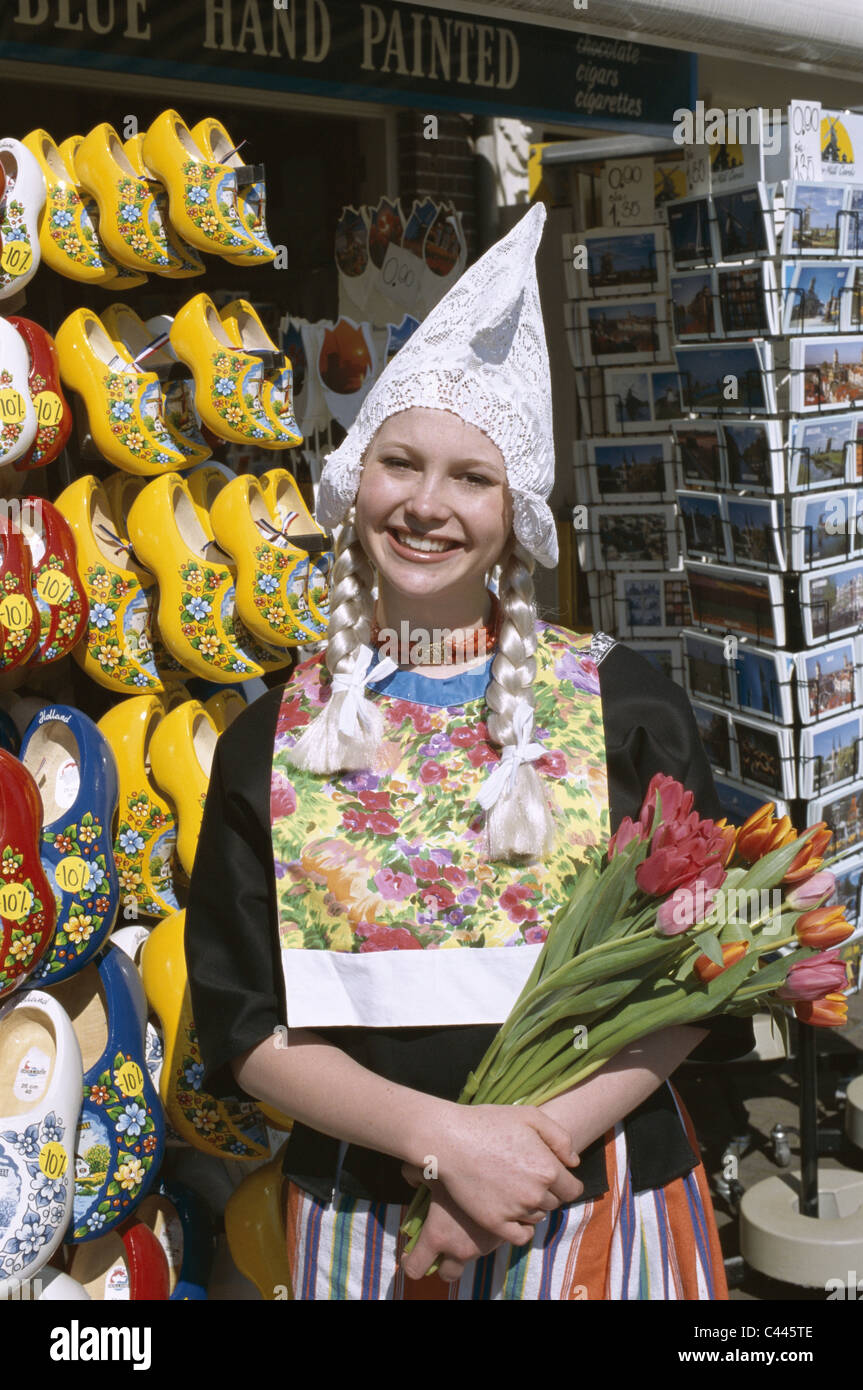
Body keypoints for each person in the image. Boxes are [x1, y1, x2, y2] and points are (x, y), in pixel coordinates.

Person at [185, 205, 753, 1301]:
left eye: (469, 477)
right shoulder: (270, 739)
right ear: (356, 485)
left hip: (600, 1197)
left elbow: (700, 966)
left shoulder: (622, 705)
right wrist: (445, 1143)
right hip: (365, 1212)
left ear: (514, 512)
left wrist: (518, 1152)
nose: (427, 506)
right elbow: (245, 1022)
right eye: (401, 463)